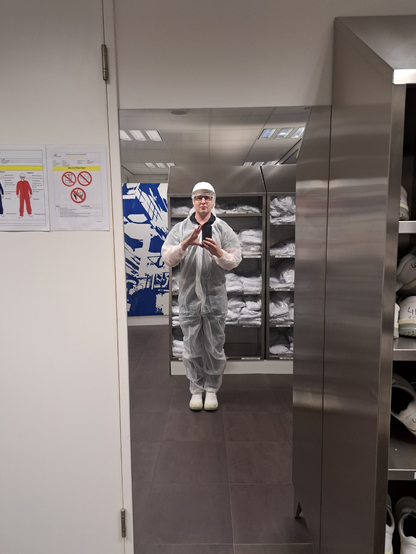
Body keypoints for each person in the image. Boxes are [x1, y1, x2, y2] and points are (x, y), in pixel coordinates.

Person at [162, 182, 242, 411]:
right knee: (191, 346)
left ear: (214, 201)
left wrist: (218, 252)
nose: (203, 202)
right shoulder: (179, 229)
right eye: (199, 198)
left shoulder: (223, 228)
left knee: (215, 346)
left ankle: (212, 389)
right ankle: (196, 389)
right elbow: (168, 258)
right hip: (189, 300)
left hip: (215, 299)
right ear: (193, 201)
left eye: (207, 197)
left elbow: (235, 260)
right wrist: (185, 245)